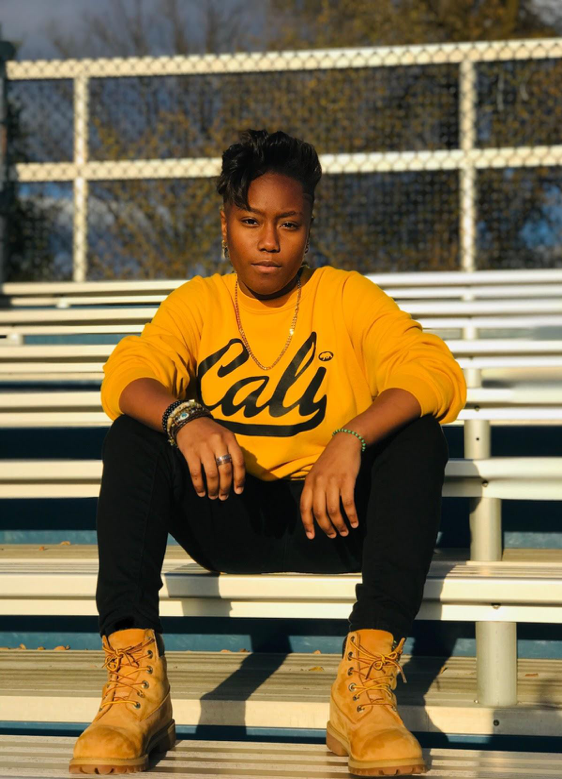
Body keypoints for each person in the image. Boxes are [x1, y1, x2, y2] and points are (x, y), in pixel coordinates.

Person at [69, 128, 466, 776]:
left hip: (337, 519)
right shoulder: (198, 304)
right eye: (252, 220)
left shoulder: (343, 295)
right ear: (225, 223)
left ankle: (363, 688)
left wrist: (352, 436)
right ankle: (133, 680)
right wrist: (185, 414)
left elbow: (436, 370)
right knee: (137, 431)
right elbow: (126, 375)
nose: (270, 240)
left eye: (289, 223)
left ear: (310, 226)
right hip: (230, 516)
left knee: (419, 432)